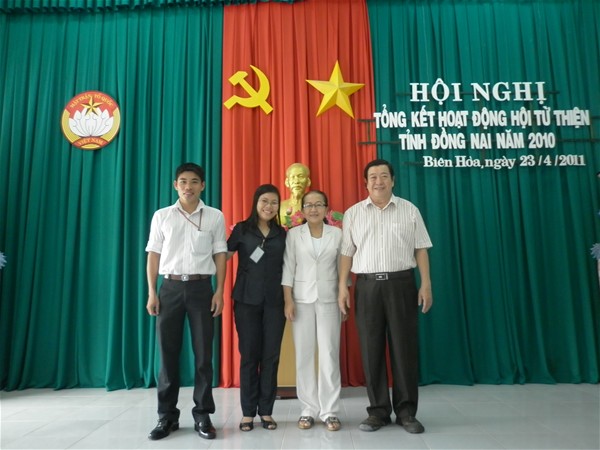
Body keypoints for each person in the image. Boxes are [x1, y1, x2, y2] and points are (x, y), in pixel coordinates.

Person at [337, 159, 433, 434]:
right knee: (371, 350)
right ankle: (378, 412)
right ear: (365, 183)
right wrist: (342, 286)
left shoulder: (409, 210)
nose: (378, 181)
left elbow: (421, 249)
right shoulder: (354, 213)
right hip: (367, 287)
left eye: (383, 176)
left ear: (393, 180)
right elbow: (347, 253)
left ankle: (406, 412)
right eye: (373, 177)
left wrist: (426, 284)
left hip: (401, 284)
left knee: (404, 349)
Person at [145, 162, 227, 441]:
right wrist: (152, 292)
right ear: (175, 185)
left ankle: (203, 415)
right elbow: (153, 254)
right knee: (167, 354)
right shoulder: (162, 216)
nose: (188, 187)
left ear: (202, 185)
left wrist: (219, 291)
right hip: (169, 288)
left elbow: (220, 254)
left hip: (201, 289)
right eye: (183, 181)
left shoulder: (214, 216)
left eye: (194, 181)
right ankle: (166, 416)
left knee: (203, 355)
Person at [282, 190, 345, 432]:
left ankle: (329, 411)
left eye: (319, 204)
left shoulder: (337, 234)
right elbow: (288, 268)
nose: (314, 209)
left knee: (329, 353)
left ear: (326, 208)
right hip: (301, 300)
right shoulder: (294, 235)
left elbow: (342, 269)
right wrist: (288, 300)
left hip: (330, 299)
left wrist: (344, 296)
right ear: (303, 210)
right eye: (309, 205)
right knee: (304, 354)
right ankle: (308, 409)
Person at [227, 184, 287, 432]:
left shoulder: (282, 233)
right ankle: (248, 413)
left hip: (275, 302)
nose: (269, 206)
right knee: (250, 356)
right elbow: (223, 256)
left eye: (274, 202)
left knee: (271, 357)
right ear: (255, 202)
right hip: (246, 301)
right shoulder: (242, 229)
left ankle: (266, 411)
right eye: (264, 201)